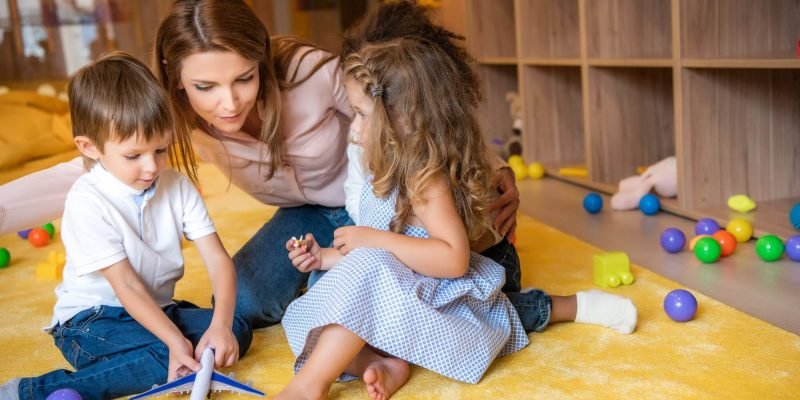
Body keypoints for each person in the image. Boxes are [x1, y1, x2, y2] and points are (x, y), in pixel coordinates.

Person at [0, 0, 522, 330]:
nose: (228, 103)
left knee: (350, 303)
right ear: (177, 80)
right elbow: (87, 173)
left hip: (384, 209)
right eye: (205, 87)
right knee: (240, 304)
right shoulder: (169, 117)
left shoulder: (312, 74)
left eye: (244, 78)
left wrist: (492, 167)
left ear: (261, 62)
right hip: (306, 216)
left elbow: (410, 113)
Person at [280, 34, 637, 400]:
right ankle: (383, 363)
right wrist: (324, 256)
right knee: (314, 309)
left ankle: (574, 305)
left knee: (505, 320)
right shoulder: (383, 164)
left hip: (445, 293)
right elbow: (375, 261)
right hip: (400, 285)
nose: (353, 127)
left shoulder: (425, 180)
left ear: (402, 120)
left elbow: (453, 259)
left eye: (361, 114)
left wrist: (372, 240)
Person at [0, 52, 251, 400]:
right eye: (134, 156)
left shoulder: (176, 185)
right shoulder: (87, 200)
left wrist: (221, 325)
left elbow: (219, 260)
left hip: (155, 309)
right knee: (164, 355)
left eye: (161, 149)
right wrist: (176, 341)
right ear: (90, 148)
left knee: (237, 328)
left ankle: (152, 353)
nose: (152, 167)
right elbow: (127, 285)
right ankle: (30, 391)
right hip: (90, 322)